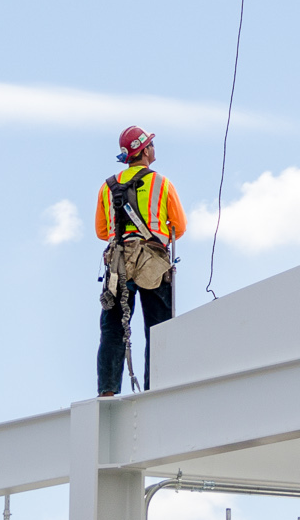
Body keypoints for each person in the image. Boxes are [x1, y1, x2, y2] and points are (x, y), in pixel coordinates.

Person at [95, 126, 186, 397]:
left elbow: (102, 232)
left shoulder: (107, 187)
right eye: (151, 145)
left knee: (112, 328)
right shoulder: (162, 183)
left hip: (119, 262)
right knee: (158, 328)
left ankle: (107, 391)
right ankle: (155, 389)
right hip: (152, 261)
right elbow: (178, 228)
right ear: (144, 151)